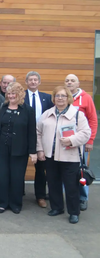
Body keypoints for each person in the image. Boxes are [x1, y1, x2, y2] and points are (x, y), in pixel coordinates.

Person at [36, 86, 91, 224]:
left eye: (63, 96)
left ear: (69, 98)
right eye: (57, 96)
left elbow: (85, 133)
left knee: (71, 185)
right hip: (50, 156)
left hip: (70, 157)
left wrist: (71, 140)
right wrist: (40, 150)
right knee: (53, 183)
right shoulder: (47, 114)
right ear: (53, 98)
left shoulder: (78, 115)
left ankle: (74, 212)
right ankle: (57, 207)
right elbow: (38, 132)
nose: (60, 98)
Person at [0, 82, 37, 214]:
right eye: (9, 93)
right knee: (1, 176)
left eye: (14, 93)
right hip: (0, 148)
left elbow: (31, 132)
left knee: (17, 177)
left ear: (20, 95)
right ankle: (1, 202)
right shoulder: (1, 107)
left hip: (19, 149)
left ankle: (15, 203)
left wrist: (32, 151)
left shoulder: (28, 110)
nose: (11, 96)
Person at [65, 74, 97, 211]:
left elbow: (93, 120)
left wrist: (90, 141)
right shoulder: (62, 97)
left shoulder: (86, 98)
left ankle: (83, 198)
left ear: (78, 84)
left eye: (72, 81)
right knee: (66, 171)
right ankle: (67, 196)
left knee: (81, 171)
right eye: (67, 80)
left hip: (80, 143)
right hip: (65, 142)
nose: (69, 82)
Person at [24, 71, 53, 208]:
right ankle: (18, 193)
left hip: (41, 137)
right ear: (26, 82)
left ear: (39, 82)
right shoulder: (20, 96)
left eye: (36, 80)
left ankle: (40, 196)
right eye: (30, 80)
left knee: (41, 169)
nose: (33, 82)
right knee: (19, 167)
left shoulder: (47, 98)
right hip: (23, 137)